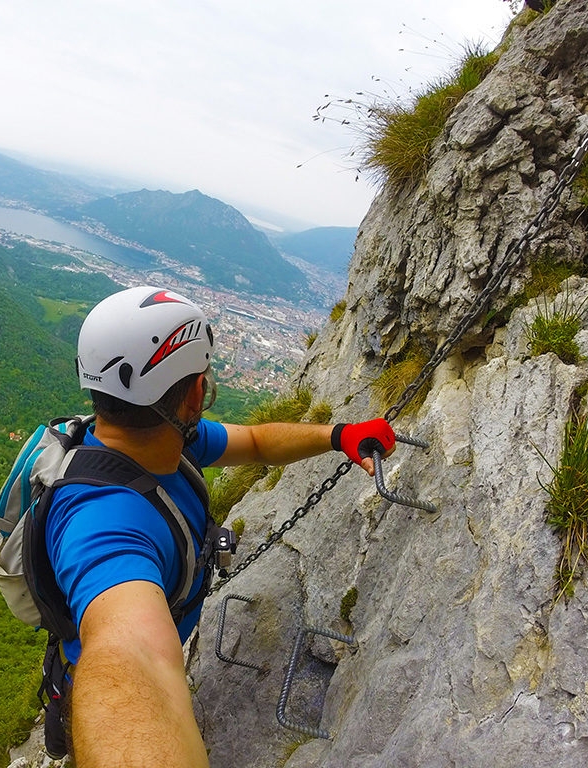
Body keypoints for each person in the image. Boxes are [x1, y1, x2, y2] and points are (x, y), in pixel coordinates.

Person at [46, 285, 396, 768]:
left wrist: (338, 436)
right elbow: (131, 654)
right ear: (195, 394)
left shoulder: (165, 439)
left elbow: (253, 442)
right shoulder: (102, 524)